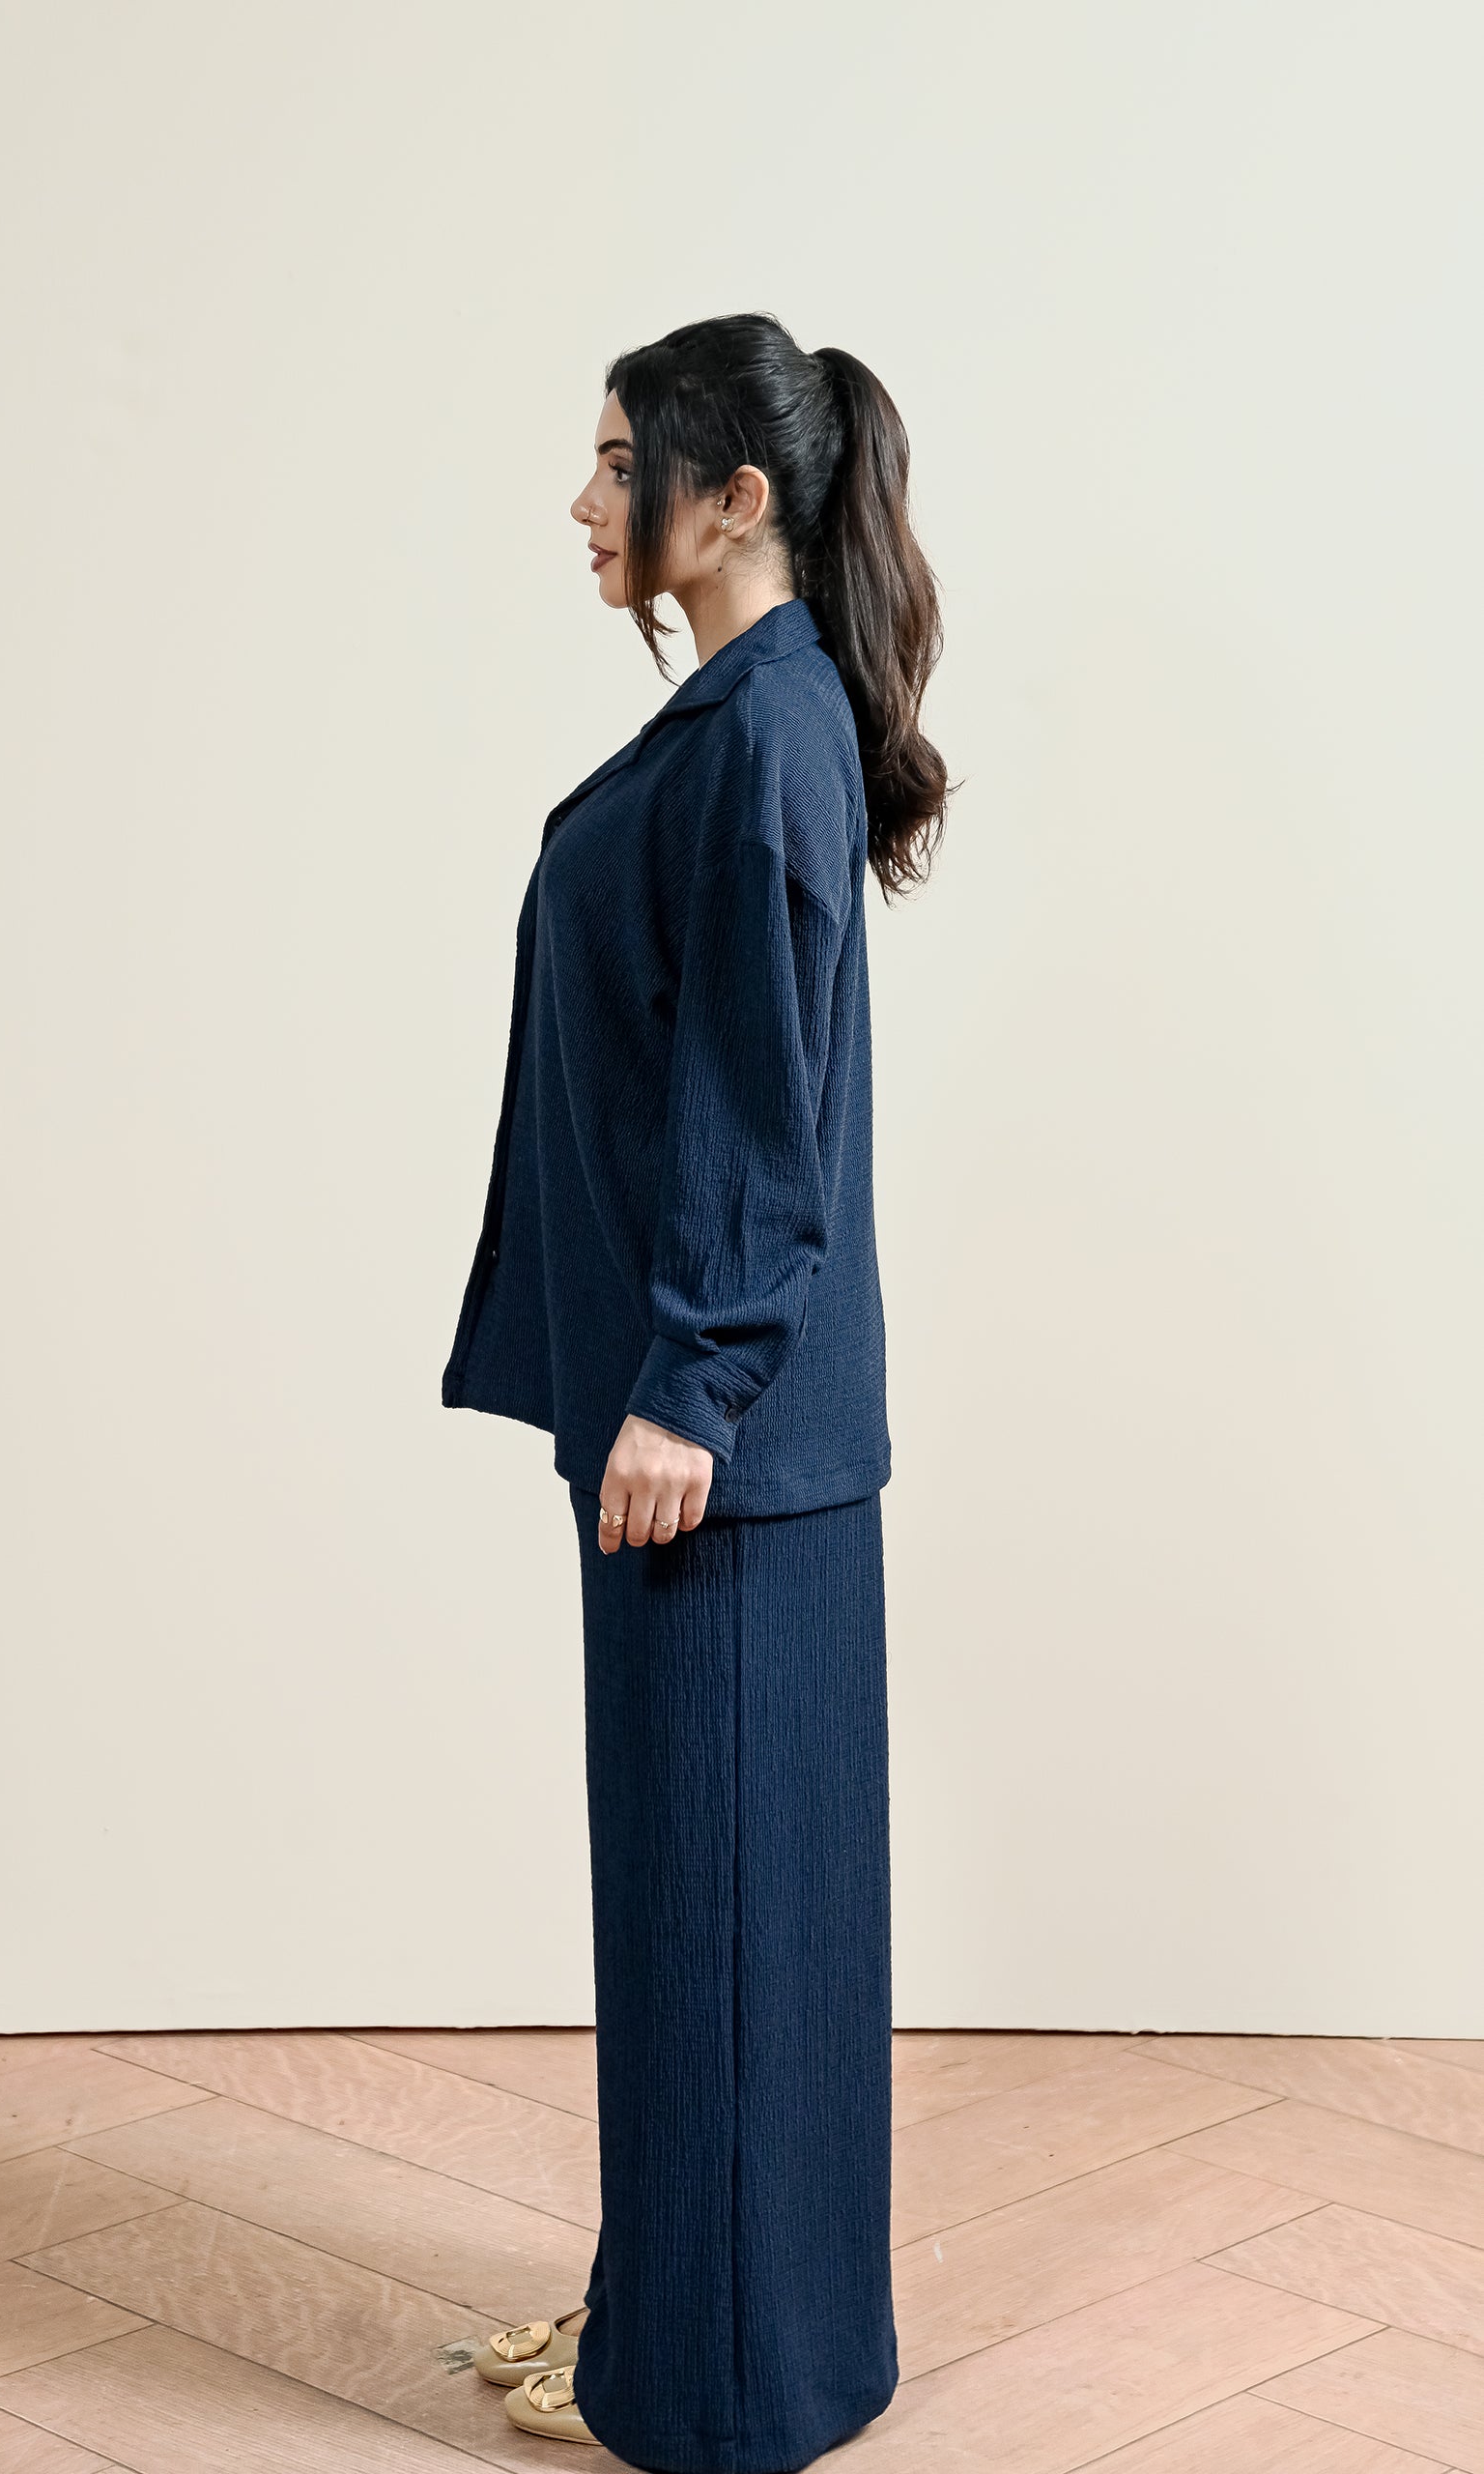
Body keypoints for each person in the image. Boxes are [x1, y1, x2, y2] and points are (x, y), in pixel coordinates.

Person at [442, 311, 949, 2474]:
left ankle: (721, 2390)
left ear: (734, 499)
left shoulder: (763, 729)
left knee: (719, 1919)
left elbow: (761, 1075)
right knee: (734, 1914)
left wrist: (689, 1387)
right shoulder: (760, 713)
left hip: (716, 1444)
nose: (583, 499)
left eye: (615, 458)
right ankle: (720, 2324)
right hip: (729, 1431)